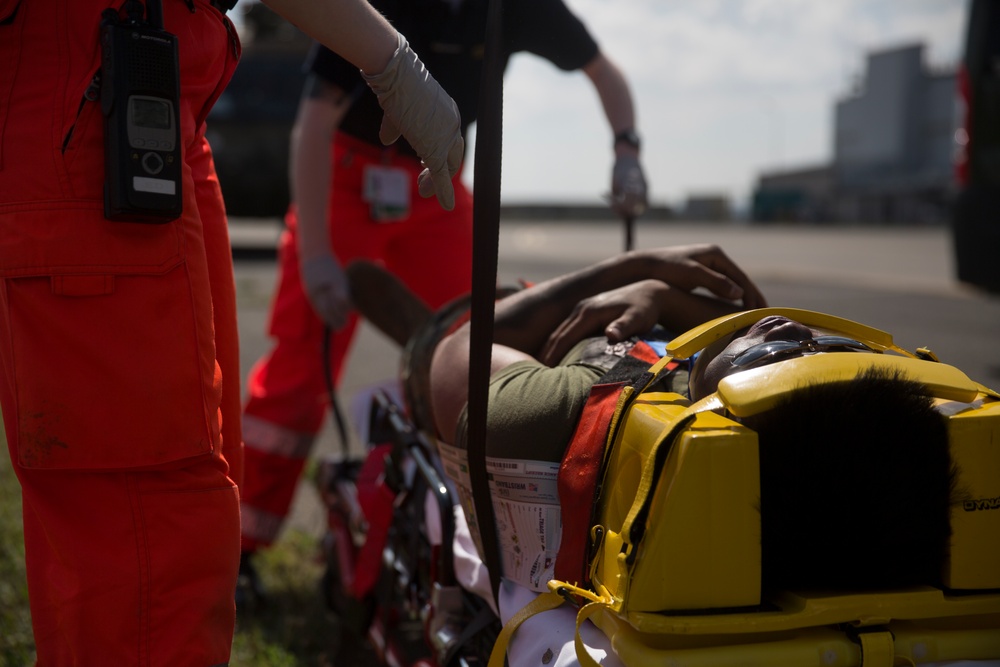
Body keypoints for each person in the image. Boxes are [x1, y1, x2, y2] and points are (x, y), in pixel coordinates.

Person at [0, 0, 464, 662]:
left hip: (152, 88)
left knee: (195, 478)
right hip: (93, 91)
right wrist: (387, 55)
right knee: (149, 529)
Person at [237, 0, 650, 589]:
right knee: (303, 361)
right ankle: (242, 548)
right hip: (345, 174)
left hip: (433, 179)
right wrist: (317, 256)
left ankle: (461, 533)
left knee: (479, 351)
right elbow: (315, 119)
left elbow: (604, 73)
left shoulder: (523, 8)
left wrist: (626, 150)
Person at [423, 246, 965, 666]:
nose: (796, 328)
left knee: (465, 304)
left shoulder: (563, 417)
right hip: (632, 322)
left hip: (513, 319)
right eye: (840, 350)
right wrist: (666, 297)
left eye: (775, 356)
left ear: (717, 428)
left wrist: (631, 268)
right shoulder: (821, 463)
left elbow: (460, 348)